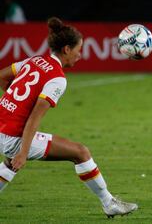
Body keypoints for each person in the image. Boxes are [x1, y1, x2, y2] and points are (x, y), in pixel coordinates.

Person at [0, 17, 138, 218]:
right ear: (66, 49)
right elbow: (34, 119)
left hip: (2, 127)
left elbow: (2, 76)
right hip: (13, 136)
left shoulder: (34, 60)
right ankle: (109, 203)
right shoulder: (57, 78)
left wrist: (15, 101)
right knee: (80, 152)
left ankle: (109, 203)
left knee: (9, 164)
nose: (80, 55)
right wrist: (23, 152)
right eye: (78, 50)